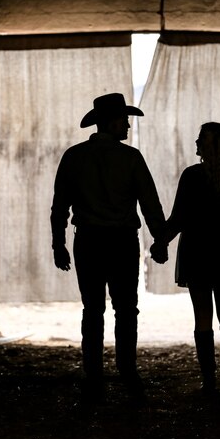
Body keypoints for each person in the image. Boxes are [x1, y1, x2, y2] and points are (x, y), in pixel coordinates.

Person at [51, 92, 168, 402]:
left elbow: (59, 206)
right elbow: (150, 204)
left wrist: (58, 243)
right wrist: (160, 238)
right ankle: (127, 371)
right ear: (113, 122)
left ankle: (93, 375)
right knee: (126, 309)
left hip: (87, 241)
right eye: (124, 120)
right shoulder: (131, 159)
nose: (128, 126)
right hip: (122, 242)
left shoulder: (74, 157)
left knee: (93, 309)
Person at [152, 122, 220, 396]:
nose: (196, 143)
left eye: (201, 140)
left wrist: (161, 241)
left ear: (211, 146)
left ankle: (209, 381)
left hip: (197, 251)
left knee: (202, 318)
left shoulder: (192, 176)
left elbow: (178, 219)